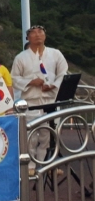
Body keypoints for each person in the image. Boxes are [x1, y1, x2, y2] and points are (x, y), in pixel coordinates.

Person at [11, 25, 68, 175]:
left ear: (45, 35)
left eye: (40, 32)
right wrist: (31, 81)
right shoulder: (21, 57)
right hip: (31, 101)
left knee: (48, 135)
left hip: (50, 99)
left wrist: (54, 85)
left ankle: (45, 164)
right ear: (27, 37)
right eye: (33, 33)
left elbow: (63, 73)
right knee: (31, 135)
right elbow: (14, 79)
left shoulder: (55, 54)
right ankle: (30, 165)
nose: (37, 35)